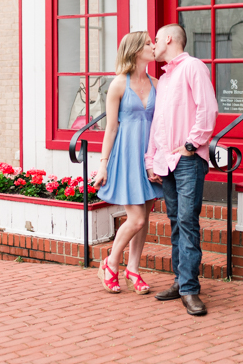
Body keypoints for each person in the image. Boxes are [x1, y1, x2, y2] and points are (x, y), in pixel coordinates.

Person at [146, 24, 218, 316]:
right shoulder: (164, 79)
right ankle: (180, 280)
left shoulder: (193, 67)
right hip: (166, 161)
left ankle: (190, 290)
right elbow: (157, 123)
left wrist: (191, 144)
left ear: (169, 39)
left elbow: (208, 109)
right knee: (176, 221)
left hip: (188, 160)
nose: (152, 44)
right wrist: (152, 159)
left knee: (187, 221)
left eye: (155, 39)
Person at [93, 31, 163, 295]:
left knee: (144, 216)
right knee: (135, 219)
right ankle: (110, 263)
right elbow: (111, 128)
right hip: (127, 155)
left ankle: (133, 269)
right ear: (135, 50)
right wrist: (103, 164)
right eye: (148, 43)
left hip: (150, 156)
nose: (153, 46)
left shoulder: (157, 83)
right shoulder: (118, 85)